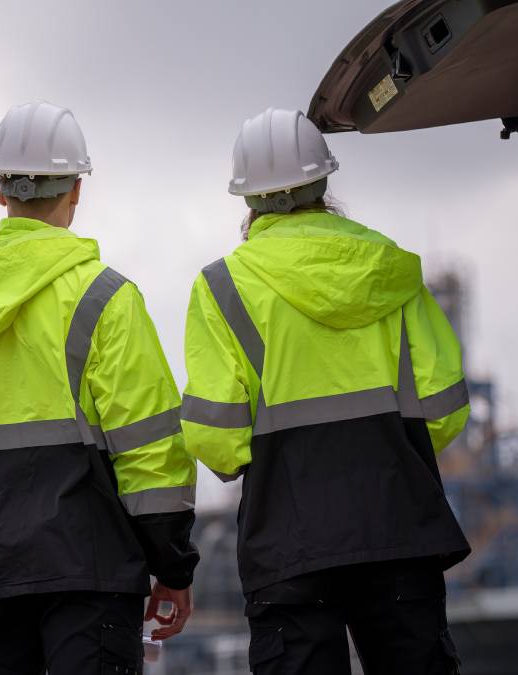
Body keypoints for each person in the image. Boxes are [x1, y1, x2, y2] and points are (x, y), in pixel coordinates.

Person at [0, 100, 199, 674]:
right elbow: (149, 448)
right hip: (94, 578)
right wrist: (172, 564)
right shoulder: (106, 300)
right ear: (77, 189)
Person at [181, 108, 471, 675]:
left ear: (248, 198)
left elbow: (217, 439)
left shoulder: (222, 288)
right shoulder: (391, 269)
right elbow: (445, 411)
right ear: (324, 182)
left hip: (288, 543)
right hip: (398, 528)